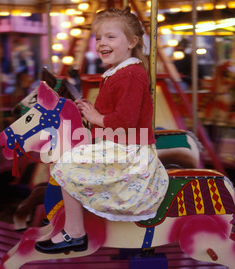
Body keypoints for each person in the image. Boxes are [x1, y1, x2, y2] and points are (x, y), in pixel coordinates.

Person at [35, 7, 169, 254]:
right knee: (64, 158)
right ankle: (63, 219)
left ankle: (75, 232)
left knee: (66, 165)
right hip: (119, 145)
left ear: (132, 42)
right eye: (98, 38)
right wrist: (89, 112)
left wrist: (97, 117)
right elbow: (113, 113)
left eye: (110, 37)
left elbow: (126, 120)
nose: (101, 43)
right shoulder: (117, 73)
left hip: (130, 151)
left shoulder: (131, 75)